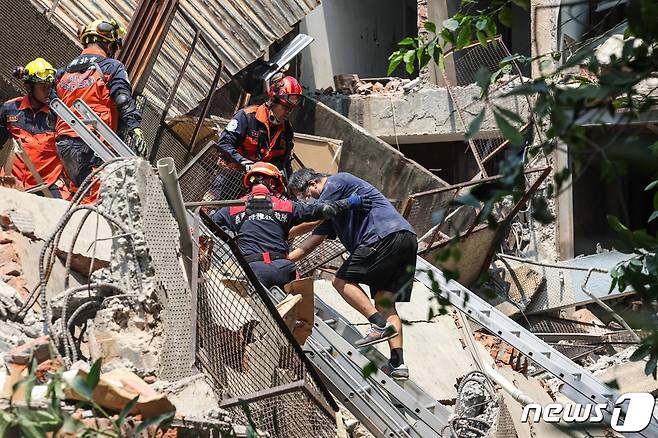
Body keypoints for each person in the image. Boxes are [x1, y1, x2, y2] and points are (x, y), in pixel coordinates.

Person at [287, 169, 418, 380]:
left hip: (380, 236)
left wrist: (282, 228)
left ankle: (377, 324)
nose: (306, 200)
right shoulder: (333, 211)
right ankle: (398, 363)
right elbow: (313, 240)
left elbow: (312, 217)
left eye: (304, 195)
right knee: (385, 303)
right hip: (406, 240)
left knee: (340, 281)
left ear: (313, 184)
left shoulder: (337, 182)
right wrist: (286, 260)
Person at [211, 162, 371, 289]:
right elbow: (325, 210)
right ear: (273, 184)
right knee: (300, 321)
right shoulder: (286, 205)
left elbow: (206, 224)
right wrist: (352, 201)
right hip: (284, 269)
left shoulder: (232, 208)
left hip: (252, 271)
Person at [53, 18, 144, 190]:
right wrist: (135, 128)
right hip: (93, 144)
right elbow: (123, 99)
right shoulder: (112, 66)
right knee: (98, 195)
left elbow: (53, 106)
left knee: (77, 191)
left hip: (63, 144)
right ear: (108, 44)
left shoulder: (63, 72)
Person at [208, 75, 302, 200]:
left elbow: (284, 164)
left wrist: (289, 191)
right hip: (230, 177)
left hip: (259, 186)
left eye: (291, 109)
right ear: (273, 100)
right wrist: (243, 162)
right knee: (209, 211)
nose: (288, 112)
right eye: (285, 107)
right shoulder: (247, 117)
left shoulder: (287, 131)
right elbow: (224, 144)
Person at [0, 58, 69, 199]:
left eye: (49, 86)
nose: (48, 91)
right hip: (11, 183)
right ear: (29, 87)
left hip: (45, 187)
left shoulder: (59, 115)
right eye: (43, 86)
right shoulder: (11, 109)